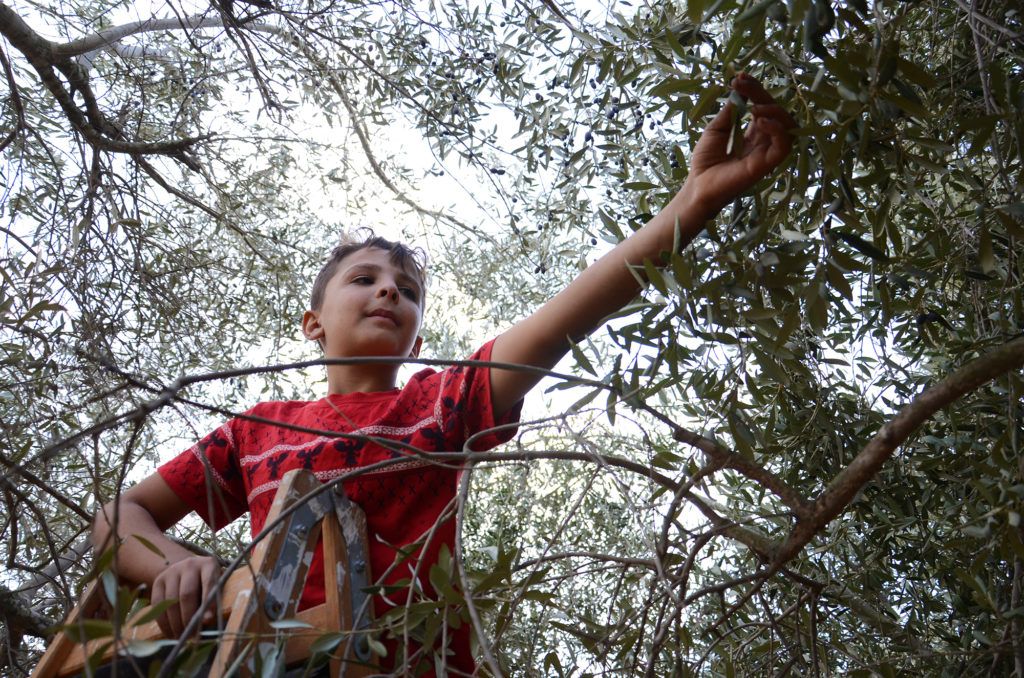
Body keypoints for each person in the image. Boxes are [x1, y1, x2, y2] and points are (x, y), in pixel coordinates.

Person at [92, 72, 794, 675]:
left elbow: (564, 317)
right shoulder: (254, 434)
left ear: (418, 336)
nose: (389, 291)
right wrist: (177, 568)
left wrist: (690, 205)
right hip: (262, 655)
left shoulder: (436, 408)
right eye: (363, 279)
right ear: (313, 325)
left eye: (406, 289)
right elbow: (117, 519)